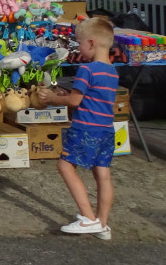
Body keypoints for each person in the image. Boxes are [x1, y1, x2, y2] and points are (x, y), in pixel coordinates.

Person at [38, 17, 118, 240]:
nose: (78, 48)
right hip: (106, 130)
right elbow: (87, 99)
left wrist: (54, 97)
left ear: (91, 43)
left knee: (65, 166)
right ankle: (102, 223)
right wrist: (68, 97)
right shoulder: (112, 71)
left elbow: (74, 102)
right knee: (102, 173)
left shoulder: (87, 69)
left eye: (79, 43)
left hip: (85, 129)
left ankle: (87, 218)